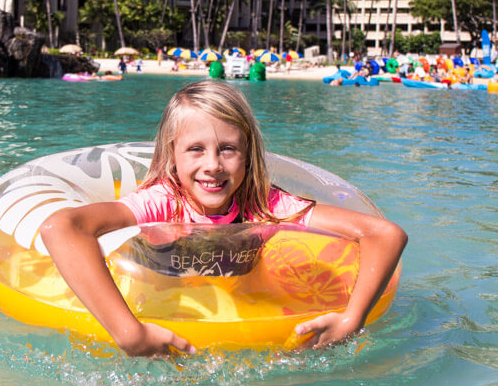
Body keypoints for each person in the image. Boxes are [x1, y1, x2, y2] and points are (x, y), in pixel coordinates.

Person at [40, 80, 407, 357]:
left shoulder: (266, 204)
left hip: (237, 300)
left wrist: (351, 320)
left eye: (228, 149)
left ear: (247, 154)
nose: (212, 165)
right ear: (173, 155)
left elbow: (386, 234)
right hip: (157, 294)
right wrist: (131, 334)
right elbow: (62, 227)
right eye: (196, 149)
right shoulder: (162, 202)